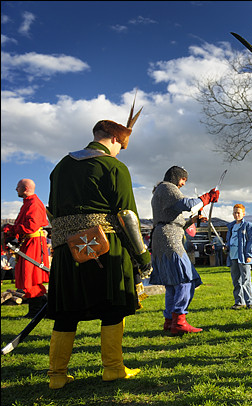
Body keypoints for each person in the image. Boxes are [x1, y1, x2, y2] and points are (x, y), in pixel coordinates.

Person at [45, 105, 152, 389]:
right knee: (112, 306)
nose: (120, 152)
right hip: (106, 246)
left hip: (67, 249)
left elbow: (52, 212)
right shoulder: (114, 166)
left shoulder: (60, 167)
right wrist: (142, 256)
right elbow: (126, 214)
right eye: (121, 146)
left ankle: (57, 376)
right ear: (115, 140)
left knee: (66, 311)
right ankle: (113, 368)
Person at [150, 166, 219, 335]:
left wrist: (193, 220)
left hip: (163, 236)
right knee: (185, 280)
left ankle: (170, 321)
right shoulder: (167, 187)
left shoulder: (160, 191)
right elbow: (188, 204)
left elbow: (173, 221)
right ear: (175, 176)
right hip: (169, 239)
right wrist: (207, 197)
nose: (182, 184)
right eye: (183, 180)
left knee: (173, 284)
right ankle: (179, 320)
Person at [1, 179, 50, 318]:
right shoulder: (27, 203)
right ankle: (39, 310)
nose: (16, 189)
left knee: (32, 276)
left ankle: (38, 310)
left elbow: (31, 226)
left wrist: (11, 228)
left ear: (25, 188)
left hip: (33, 242)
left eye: (18, 187)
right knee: (28, 276)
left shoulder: (33, 204)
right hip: (28, 242)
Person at [226, 204, 252, 309]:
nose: (236, 214)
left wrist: (249, 254)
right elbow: (229, 240)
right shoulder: (231, 226)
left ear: (243, 214)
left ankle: (250, 303)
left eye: (238, 212)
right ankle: (239, 302)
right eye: (234, 212)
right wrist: (226, 247)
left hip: (243, 256)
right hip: (233, 256)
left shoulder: (247, 225)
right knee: (236, 280)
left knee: (246, 279)